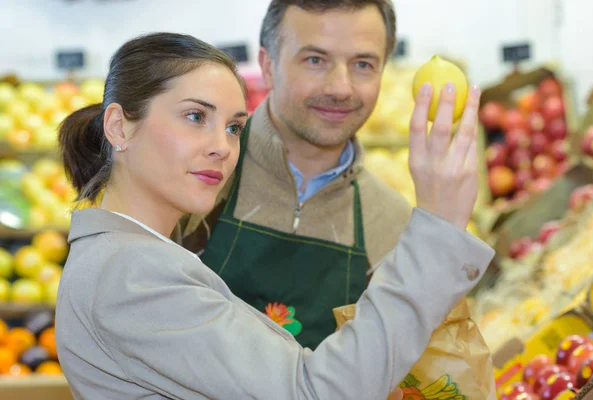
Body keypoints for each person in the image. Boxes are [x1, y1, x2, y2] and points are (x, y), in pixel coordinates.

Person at [55, 32, 492, 400]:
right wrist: (437, 231)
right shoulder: (132, 274)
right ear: (118, 127)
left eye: (233, 127)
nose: (222, 147)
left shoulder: (130, 257)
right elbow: (314, 393)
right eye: (195, 116)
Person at [173, 0, 419, 351]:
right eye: (315, 60)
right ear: (267, 66)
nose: (341, 88)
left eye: (363, 64)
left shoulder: (393, 224)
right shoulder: (194, 176)